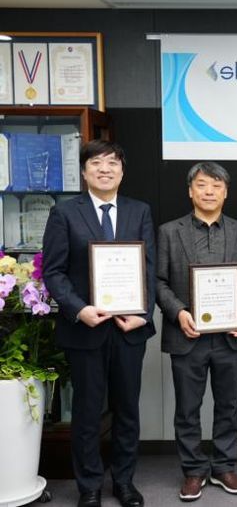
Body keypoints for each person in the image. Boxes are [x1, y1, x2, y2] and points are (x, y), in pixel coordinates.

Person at [42, 140, 156, 507]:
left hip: (128, 329)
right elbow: (53, 272)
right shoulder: (64, 213)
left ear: (122, 171)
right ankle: (89, 484)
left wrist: (143, 313)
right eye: (96, 163)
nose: (105, 169)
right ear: (84, 171)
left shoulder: (139, 211)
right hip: (85, 329)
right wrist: (79, 309)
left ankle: (124, 481)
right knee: (88, 411)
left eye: (112, 163)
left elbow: (149, 269)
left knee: (127, 409)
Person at [156, 162, 237, 501]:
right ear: (190, 191)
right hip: (186, 334)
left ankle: (224, 466)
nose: (209, 191)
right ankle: (194, 470)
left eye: (216, 186)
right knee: (187, 408)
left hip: (231, 335)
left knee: (228, 405)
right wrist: (179, 312)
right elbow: (158, 281)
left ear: (226, 192)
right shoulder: (168, 232)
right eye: (201, 185)